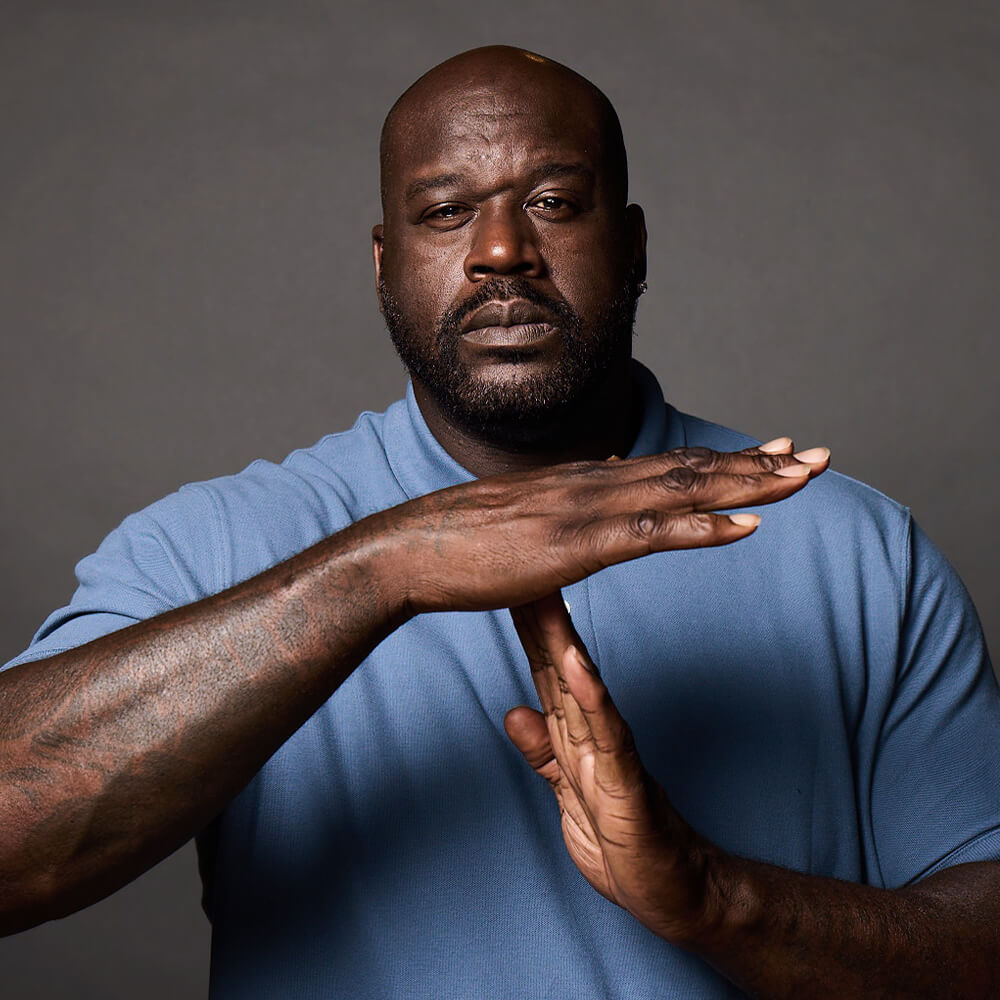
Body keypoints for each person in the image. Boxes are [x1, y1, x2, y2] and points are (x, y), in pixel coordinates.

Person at [2, 44, 999, 998]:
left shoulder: (851, 546)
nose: (499, 252)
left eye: (554, 203)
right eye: (445, 212)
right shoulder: (218, 546)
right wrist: (381, 567)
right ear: (384, 261)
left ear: (634, 240)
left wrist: (716, 900)